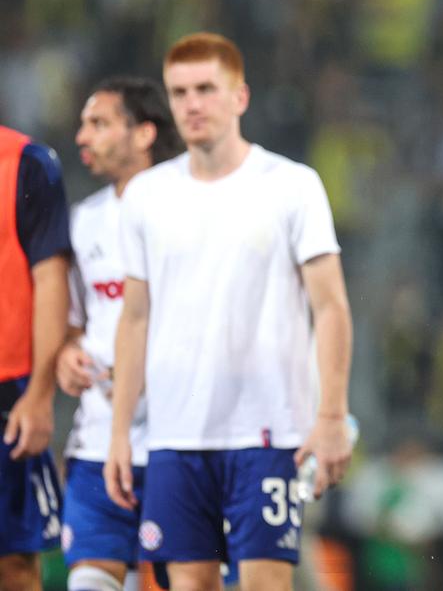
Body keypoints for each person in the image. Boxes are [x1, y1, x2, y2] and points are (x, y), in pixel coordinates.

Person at [107, 33, 355, 591]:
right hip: (175, 435)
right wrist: (121, 432)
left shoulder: (292, 186)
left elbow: (331, 306)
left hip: (266, 432)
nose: (192, 104)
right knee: (188, 584)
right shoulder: (146, 196)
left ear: (240, 97)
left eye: (205, 89)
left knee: (265, 583)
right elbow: (135, 319)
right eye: (179, 92)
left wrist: (332, 415)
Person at [58, 79, 182, 591]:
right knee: (90, 581)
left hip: (181, 440)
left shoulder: (192, 211)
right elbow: (75, 324)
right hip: (99, 440)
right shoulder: (84, 220)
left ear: (144, 133)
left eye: (100, 123)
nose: (82, 136)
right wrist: (66, 353)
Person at [0, 124, 70, 591]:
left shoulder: (25, 162)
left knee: (14, 562)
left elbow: (51, 280)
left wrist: (41, 395)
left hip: (8, 394)